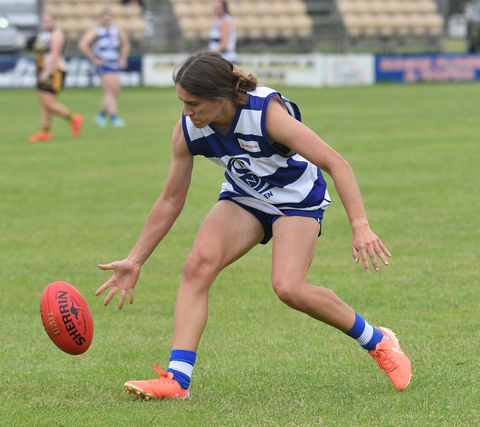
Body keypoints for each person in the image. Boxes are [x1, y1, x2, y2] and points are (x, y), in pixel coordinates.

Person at [96, 52, 412, 400]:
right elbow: (171, 200)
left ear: (221, 97)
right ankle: (178, 381)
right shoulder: (188, 131)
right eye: (182, 102)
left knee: (289, 288)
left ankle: (378, 340)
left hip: (296, 200)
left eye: (194, 103)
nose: (186, 112)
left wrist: (360, 225)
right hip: (246, 197)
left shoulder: (266, 114)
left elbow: (336, 163)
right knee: (197, 266)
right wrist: (135, 260)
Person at [28, 13, 83, 143]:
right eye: (44, 21)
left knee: (48, 102)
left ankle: (73, 118)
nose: (46, 23)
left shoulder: (56, 34)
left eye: (49, 21)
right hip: (44, 70)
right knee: (44, 102)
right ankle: (45, 131)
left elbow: (55, 54)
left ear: (54, 21)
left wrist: (46, 72)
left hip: (54, 71)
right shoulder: (43, 35)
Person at [78, 11, 131, 128]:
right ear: (100, 19)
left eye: (108, 18)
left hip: (114, 63)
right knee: (110, 91)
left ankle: (101, 115)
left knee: (116, 91)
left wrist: (123, 58)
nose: (106, 21)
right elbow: (83, 44)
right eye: (104, 18)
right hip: (104, 64)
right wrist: (94, 59)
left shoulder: (116, 30)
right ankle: (114, 117)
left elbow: (126, 43)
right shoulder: (97, 31)